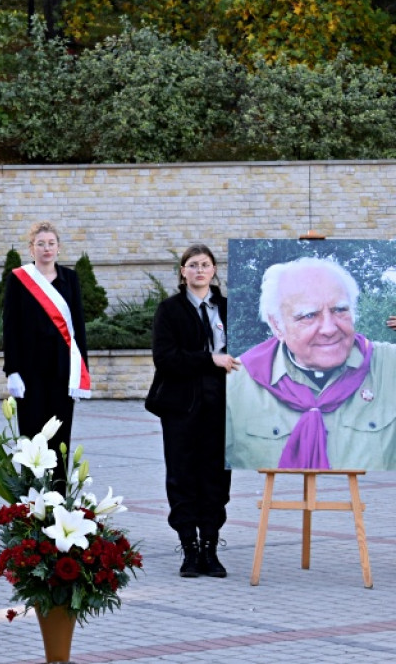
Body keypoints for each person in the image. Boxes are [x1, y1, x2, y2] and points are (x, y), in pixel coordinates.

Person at [227, 257, 396, 470]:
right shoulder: (233, 385)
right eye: (309, 315)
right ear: (277, 325)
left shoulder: (389, 367)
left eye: (340, 310)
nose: (329, 328)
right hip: (279, 501)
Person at [145, 245, 239, 578]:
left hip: (221, 405)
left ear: (214, 271)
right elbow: (165, 358)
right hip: (181, 405)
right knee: (182, 476)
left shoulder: (228, 309)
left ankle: (211, 549)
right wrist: (208, 359)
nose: (200, 270)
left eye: (206, 265)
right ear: (182, 271)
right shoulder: (169, 310)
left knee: (216, 478)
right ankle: (189, 549)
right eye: (193, 265)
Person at [2, 221, 89, 472]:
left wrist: (81, 373)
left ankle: (59, 503)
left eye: (51, 243)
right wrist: (13, 370)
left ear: (58, 248)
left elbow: (79, 328)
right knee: (31, 437)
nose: (46, 248)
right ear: (32, 249)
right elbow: (11, 327)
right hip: (30, 371)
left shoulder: (70, 279)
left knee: (60, 437)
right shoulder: (19, 279)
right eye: (41, 244)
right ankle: (31, 503)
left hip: (62, 371)